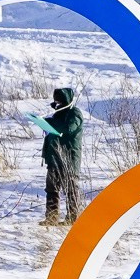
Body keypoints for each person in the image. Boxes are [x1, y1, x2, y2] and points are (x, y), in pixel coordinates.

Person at [40, 86, 84, 224]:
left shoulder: (75, 113)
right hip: (53, 158)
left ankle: (73, 218)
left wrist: (50, 123)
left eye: (60, 102)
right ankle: (51, 218)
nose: (57, 104)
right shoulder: (56, 115)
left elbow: (68, 128)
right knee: (51, 188)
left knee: (71, 189)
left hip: (69, 158)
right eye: (56, 101)